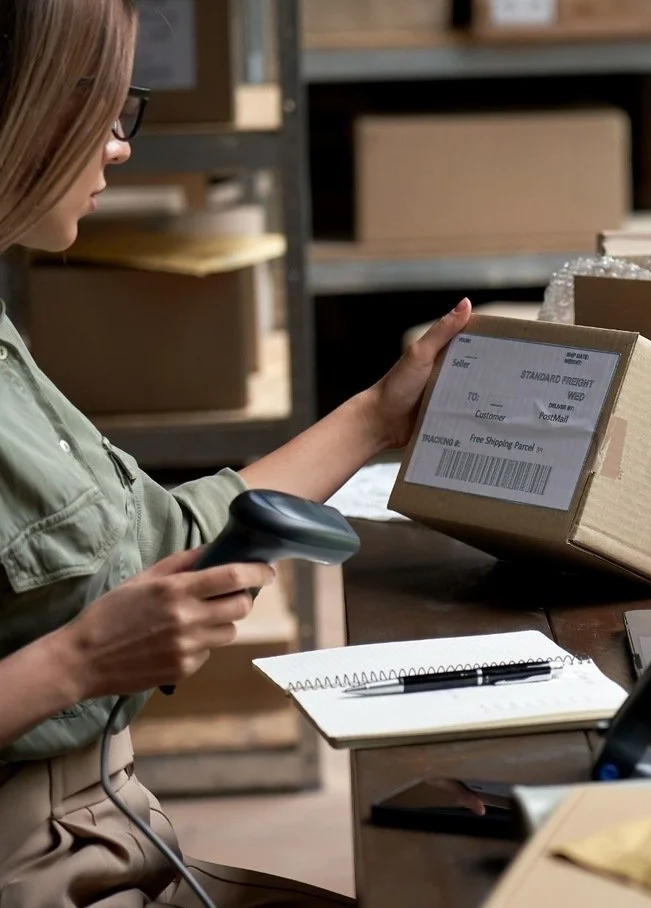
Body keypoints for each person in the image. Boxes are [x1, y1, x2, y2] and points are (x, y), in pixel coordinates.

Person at [0, 1, 474, 905]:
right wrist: (78, 663)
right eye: (94, 104)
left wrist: (380, 414)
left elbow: (157, 533)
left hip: (107, 827)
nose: (118, 143)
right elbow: (85, 631)